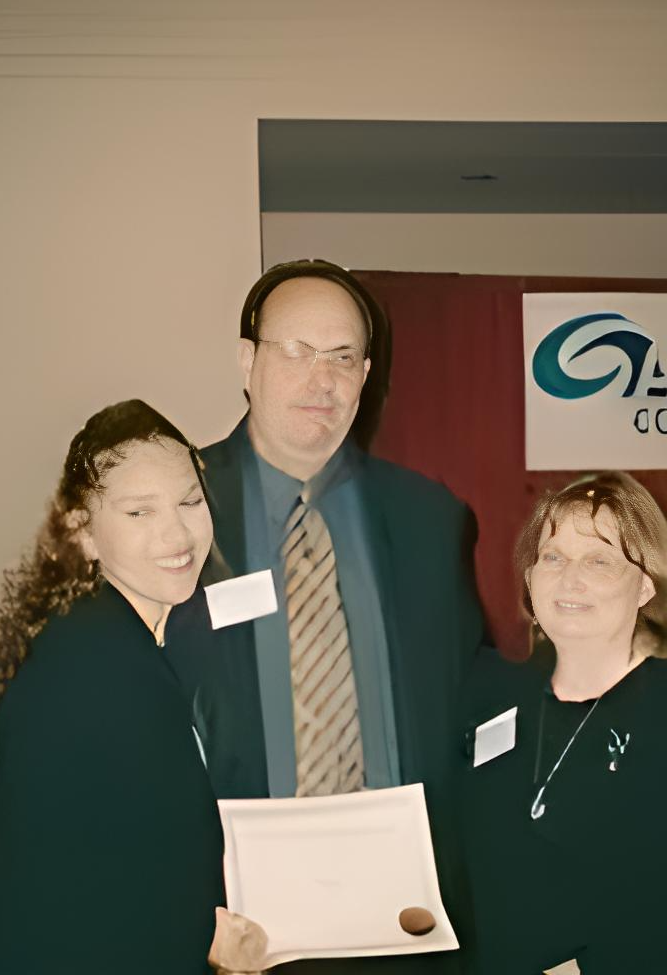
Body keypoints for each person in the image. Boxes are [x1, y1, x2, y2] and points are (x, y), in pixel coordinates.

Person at [163, 260, 485, 971]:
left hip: (403, 923)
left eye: (343, 358)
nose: (323, 380)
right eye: (297, 352)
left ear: (366, 376)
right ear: (248, 361)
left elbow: (473, 695)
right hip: (227, 927)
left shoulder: (430, 520)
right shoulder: (175, 507)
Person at [0, 400, 258, 974]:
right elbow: (70, 892)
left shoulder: (112, 626)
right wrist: (208, 939)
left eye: (189, 500)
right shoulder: (93, 661)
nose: (177, 532)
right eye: (139, 513)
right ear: (83, 533)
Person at [456, 472, 667, 974]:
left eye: (600, 561)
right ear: (529, 578)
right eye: (553, 558)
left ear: (646, 587)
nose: (571, 579)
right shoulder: (493, 703)